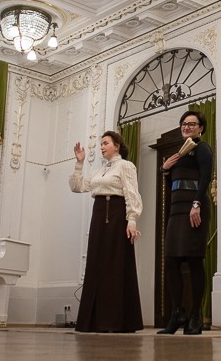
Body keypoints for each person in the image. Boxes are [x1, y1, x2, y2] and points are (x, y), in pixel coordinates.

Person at [69, 131, 144, 332]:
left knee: (115, 265)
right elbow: (77, 187)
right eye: (101, 144)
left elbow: (131, 193)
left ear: (116, 146)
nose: (102, 147)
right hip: (99, 216)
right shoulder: (99, 171)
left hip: (117, 216)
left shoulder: (126, 166)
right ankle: (94, 320)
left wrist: (132, 220)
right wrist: (79, 163)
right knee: (96, 264)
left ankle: (115, 321)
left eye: (105, 143)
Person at [157, 110, 214, 335]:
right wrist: (165, 170)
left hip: (194, 208)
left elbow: (205, 178)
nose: (186, 127)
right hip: (176, 210)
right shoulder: (179, 153)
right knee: (171, 261)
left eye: (191, 123)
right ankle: (177, 313)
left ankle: (195, 316)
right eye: (183, 123)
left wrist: (197, 203)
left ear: (201, 128)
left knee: (193, 259)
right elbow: (174, 183)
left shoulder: (202, 148)